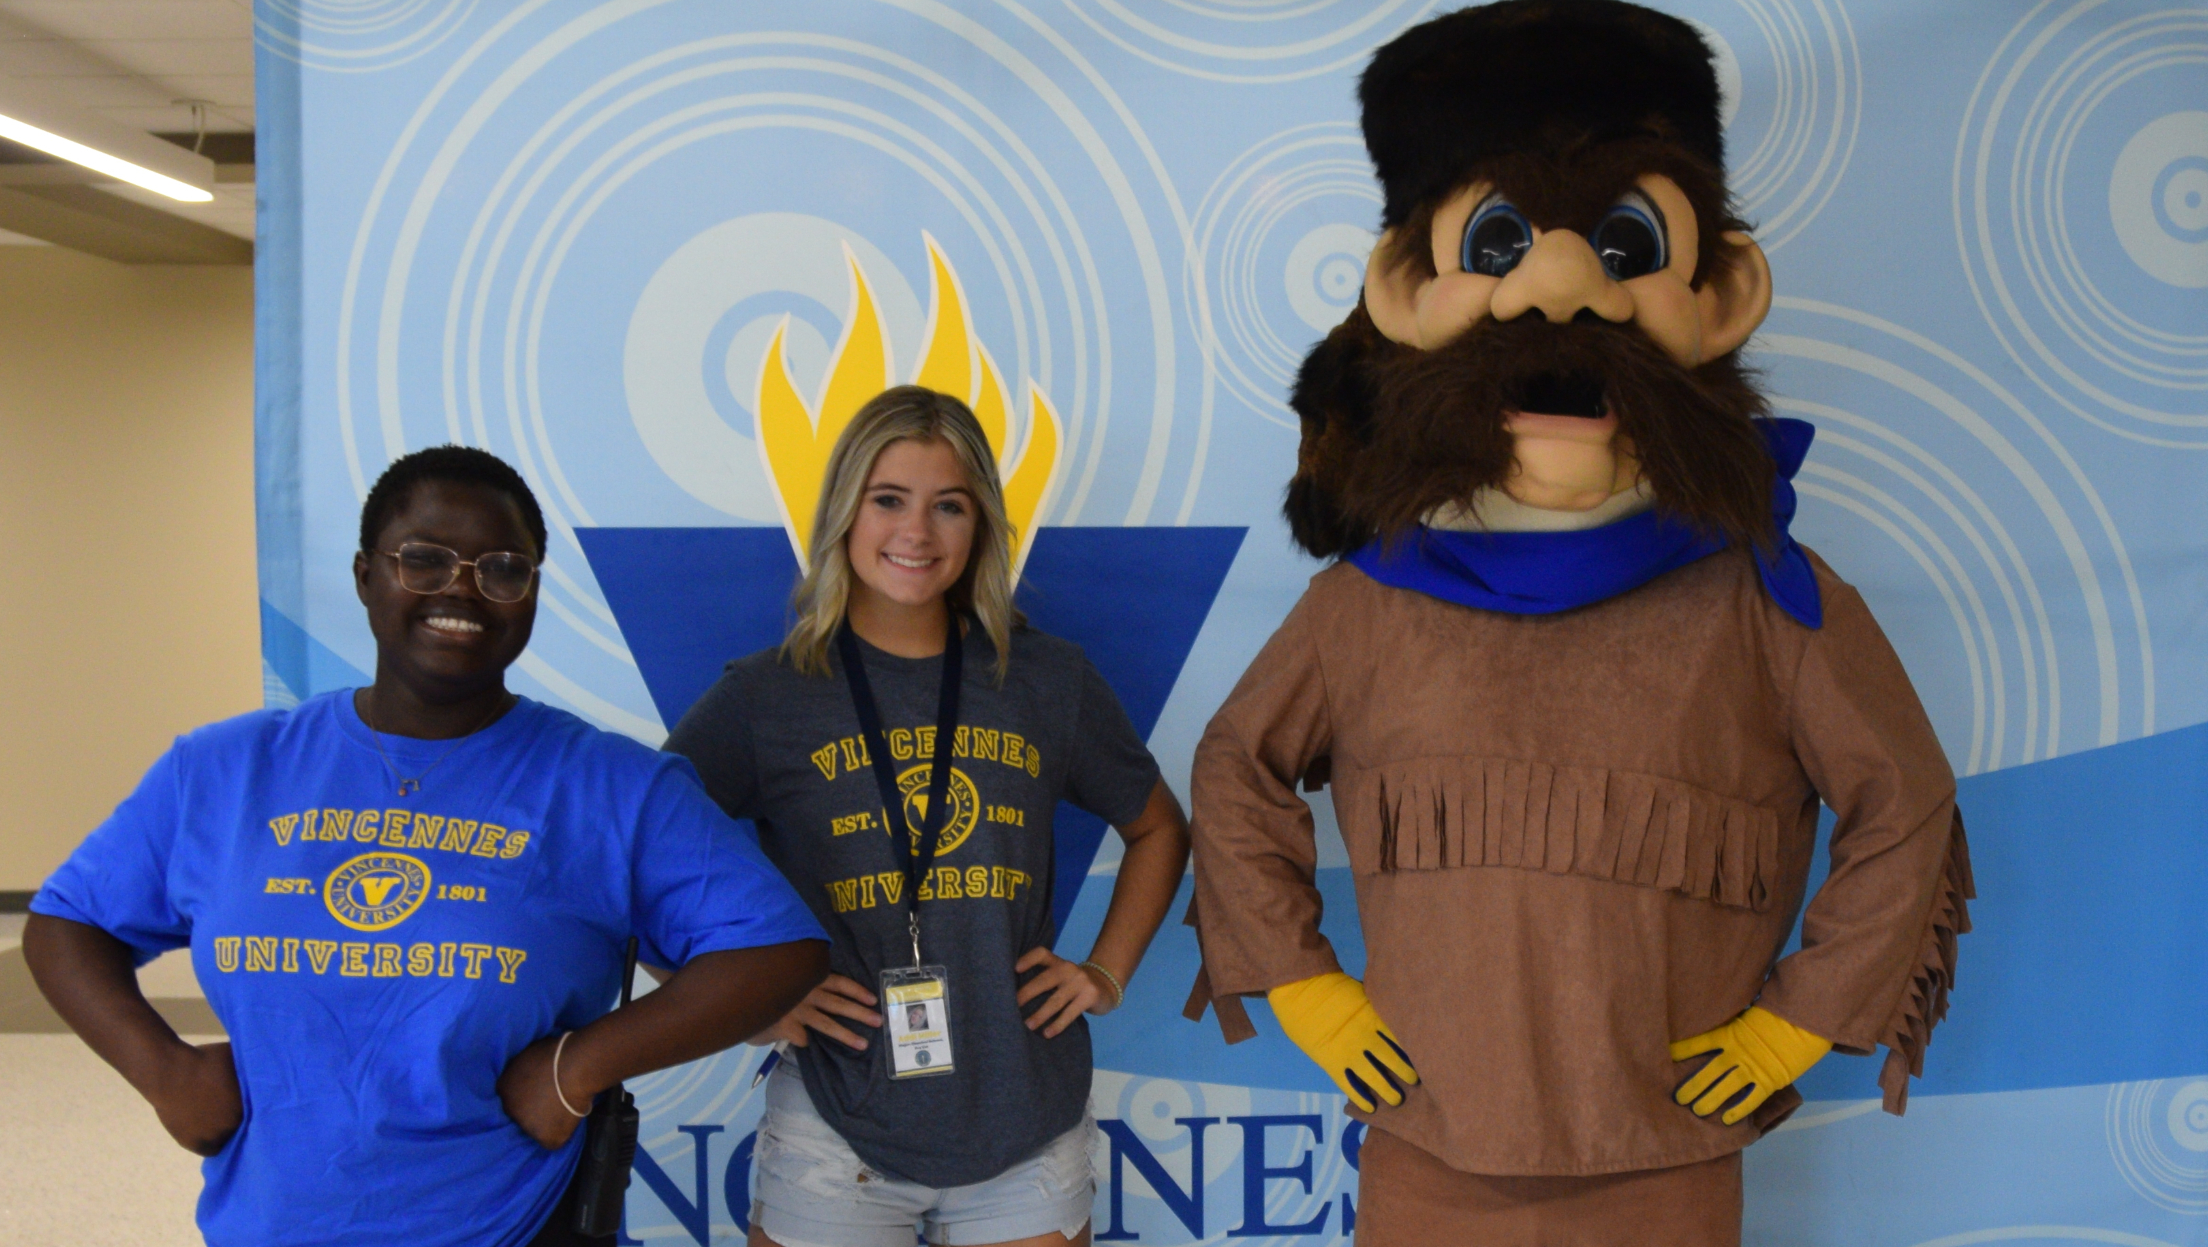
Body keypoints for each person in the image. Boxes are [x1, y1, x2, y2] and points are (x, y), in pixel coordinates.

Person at [24, 446, 830, 1247]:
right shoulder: (224, 770)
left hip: (513, 1225)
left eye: (503, 568)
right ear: (365, 574)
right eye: (425, 558)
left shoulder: (610, 784)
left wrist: (578, 1066)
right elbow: (66, 921)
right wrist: (165, 1072)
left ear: (532, 592)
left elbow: (777, 948)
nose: (463, 588)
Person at [666, 385, 1192, 1247]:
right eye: (888, 499)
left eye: (949, 505)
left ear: (980, 524)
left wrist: (1106, 970)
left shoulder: (1045, 679)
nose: (917, 531)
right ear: (844, 510)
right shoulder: (766, 696)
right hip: (838, 1128)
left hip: (1025, 1119)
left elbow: (1160, 826)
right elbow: (634, 862)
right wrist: (741, 1005)